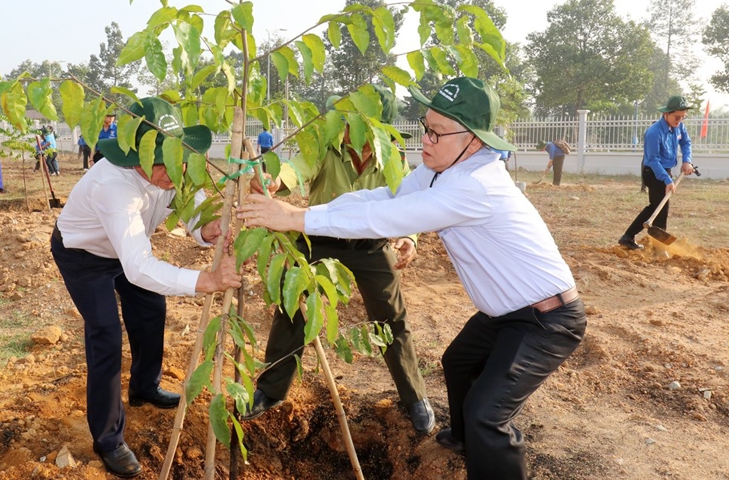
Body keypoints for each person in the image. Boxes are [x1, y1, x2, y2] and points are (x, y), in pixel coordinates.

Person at [238, 77, 587, 480]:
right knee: (458, 361)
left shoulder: (475, 186)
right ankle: (463, 439)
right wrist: (307, 210)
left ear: (473, 141)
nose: (426, 140)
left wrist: (298, 218)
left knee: (487, 416)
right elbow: (383, 198)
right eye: (426, 127)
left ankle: (484, 444)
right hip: (504, 314)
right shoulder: (440, 171)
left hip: (546, 320)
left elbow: (388, 218)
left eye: (438, 133)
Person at [50, 97, 242, 478]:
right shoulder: (113, 185)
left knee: (151, 310)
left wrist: (206, 230)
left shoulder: (174, 166)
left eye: (178, 161)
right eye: (161, 165)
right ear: (134, 158)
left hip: (126, 247)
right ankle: (108, 439)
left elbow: (189, 204)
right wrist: (205, 281)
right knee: (105, 333)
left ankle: (144, 386)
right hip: (84, 255)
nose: (173, 172)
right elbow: (138, 267)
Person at [240, 85, 436, 437]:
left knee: (392, 319)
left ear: (377, 128)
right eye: (343, 119)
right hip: (319, 239)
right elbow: (296, 168)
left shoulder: (392, 156)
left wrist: (409, 237)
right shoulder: (325, 146)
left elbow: (409, 200)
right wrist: (272, 181)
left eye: (353, 120)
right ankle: (269, 391)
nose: (344, 126)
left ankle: (415, 397)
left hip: (372, 245)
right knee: (291, 309)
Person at [619, 95, 696, 250]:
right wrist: (667, 180)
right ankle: (659, 249)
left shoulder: (679, 126)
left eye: (683, 117)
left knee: (655, 207)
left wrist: (687, 161)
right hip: (653, 172)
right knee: (661, 209)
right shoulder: (654, 133)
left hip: (665, 171)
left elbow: (686, 142)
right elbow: (653, 160)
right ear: (666, 113)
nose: (679, 120)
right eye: (676, 117)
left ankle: (628, 237)